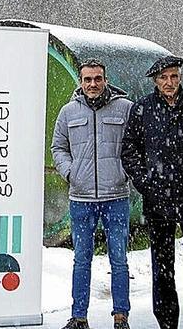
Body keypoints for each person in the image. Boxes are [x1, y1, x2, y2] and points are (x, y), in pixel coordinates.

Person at [122, 55, 183, 329]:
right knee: (163, 268)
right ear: (156, 80)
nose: (169, 82)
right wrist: (146, 182)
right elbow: (129, 151)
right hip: (159, 201)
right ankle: (167, 321)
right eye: (164, 78)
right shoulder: (143, 108)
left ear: (180, 78)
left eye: (174, 77)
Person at [51, 59, 133, 329]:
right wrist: (70, 172)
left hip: (116, 196)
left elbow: (137, 146)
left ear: (105, 80)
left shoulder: (125, 108)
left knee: (119, 259)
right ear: (81, 82)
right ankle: (78, 317)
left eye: (97, 79)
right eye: (87, 80)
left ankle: (121, 316)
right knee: (81, 259)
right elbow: (58, 147)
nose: (93, 84)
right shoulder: (68, 112)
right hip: (81, 198)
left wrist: (125, 171)